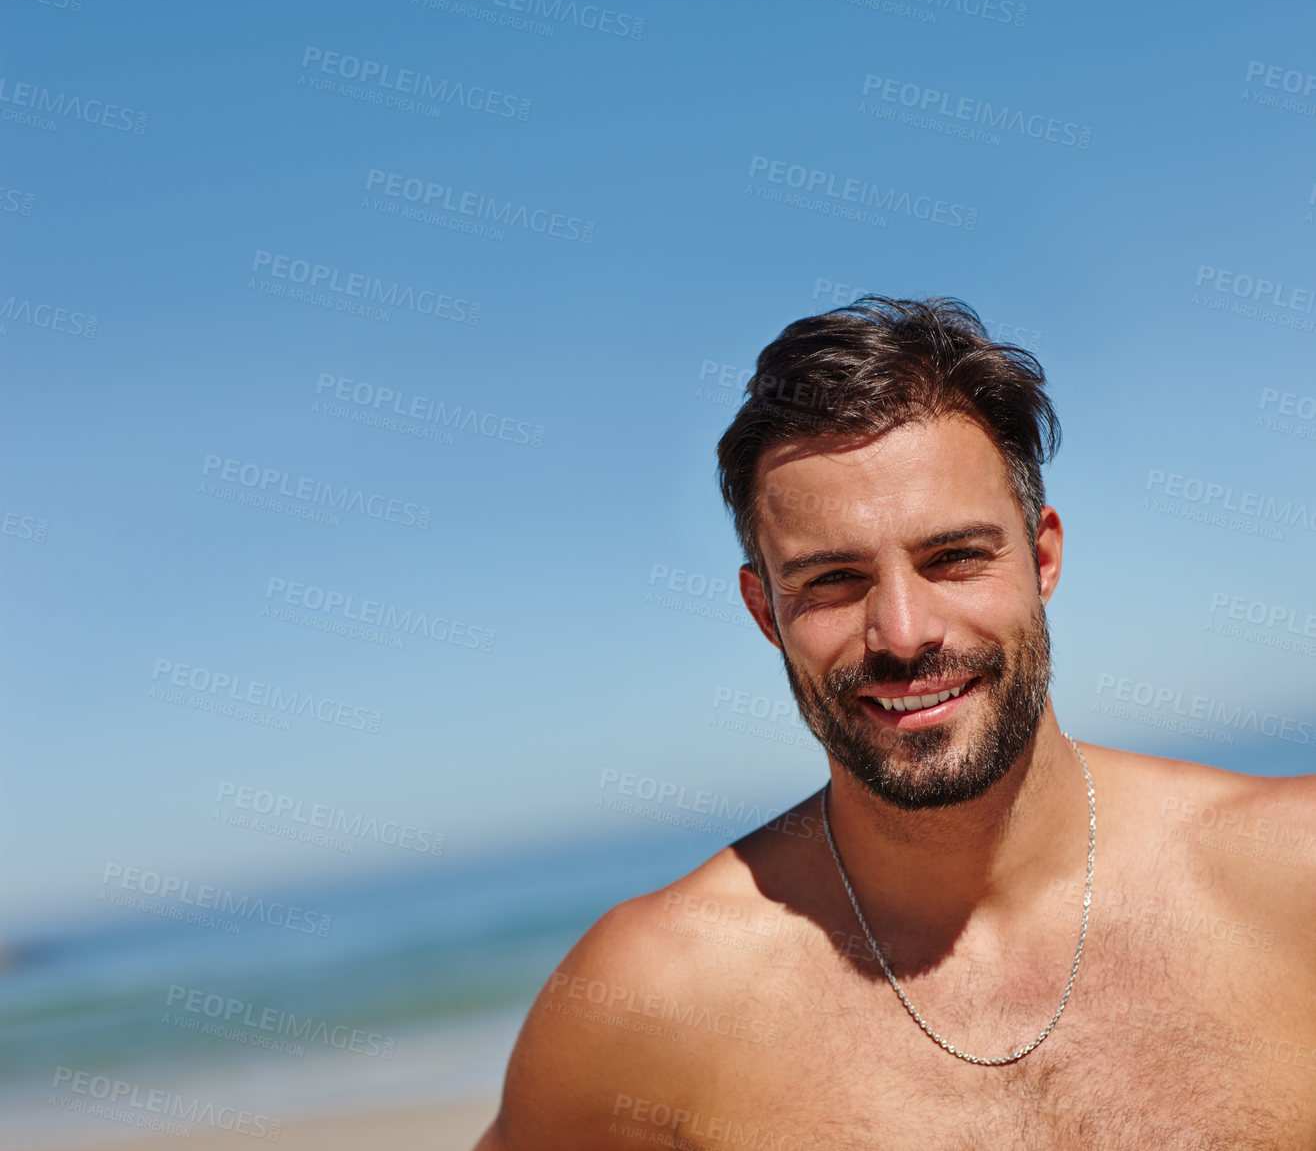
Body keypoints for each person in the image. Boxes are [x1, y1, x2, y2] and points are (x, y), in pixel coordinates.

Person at [474, 297, 1316, 1148]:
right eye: (833, 580)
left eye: (954, 557)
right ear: (766, 613)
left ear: (1042, 557)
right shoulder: (656, 996)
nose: (904, 633)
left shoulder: (1294, 878)